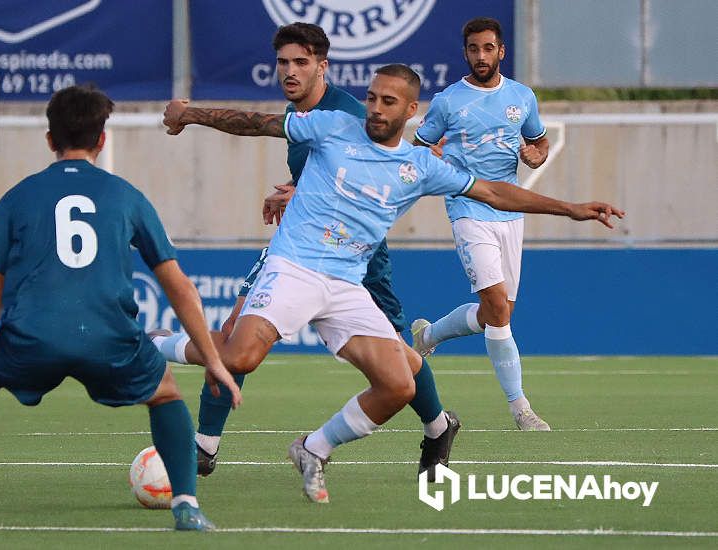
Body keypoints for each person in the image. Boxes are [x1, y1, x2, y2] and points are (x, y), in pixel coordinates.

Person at [160, 64, 623, 502]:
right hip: (294, 266)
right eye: (372, 98)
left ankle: (314, 448)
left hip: (346, 284)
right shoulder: (331, 126)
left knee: (398, 385)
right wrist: (189, 115)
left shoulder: (419, 167)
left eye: (388, 101)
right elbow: (254, 122)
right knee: (241, 356)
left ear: (410, 111)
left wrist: (570, 208)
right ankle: (158, 347)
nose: (376, 109)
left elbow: (495, 191)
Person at [0, 85, 241, 532]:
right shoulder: (126, 196)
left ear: (50, 140)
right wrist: (215, 360)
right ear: (102, 140)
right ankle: (185, 504)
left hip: (33, 335)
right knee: (164, 393)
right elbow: (178, 285)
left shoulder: (18, 196)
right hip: (109, 337)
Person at [187, 21, 457, 481]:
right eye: (283, 63)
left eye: (300, 63)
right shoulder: (304, 118)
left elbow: (387, 167)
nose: (289, 72)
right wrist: (295, 190)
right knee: (237, 326)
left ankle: (438, 425)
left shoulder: (350, 113)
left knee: (400, 358)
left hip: (362, 258)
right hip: (307, 247)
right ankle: (203, 445)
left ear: (322, 67)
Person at [411, 17, 553, 430]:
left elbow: (539, 141)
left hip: (511, 211)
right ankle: (521, 408)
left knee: (499, 312)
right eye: (474, 49)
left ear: (501, 51)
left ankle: (429, 336)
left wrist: (536, 155)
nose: (481, 56)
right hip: (467, 208)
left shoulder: (522, 97)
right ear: (466, 52)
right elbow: (420, 148)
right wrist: (432, 161)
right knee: (496, 308)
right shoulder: (449, 101)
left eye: (488, 48)